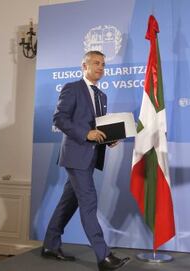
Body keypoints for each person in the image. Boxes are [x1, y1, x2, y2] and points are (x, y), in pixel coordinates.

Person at [41, 50, 130, 271]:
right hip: (75, 155)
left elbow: (98, 128)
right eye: (96, 63)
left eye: (103, 64)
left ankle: (51, 245)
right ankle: (104, 256)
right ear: (84, 65)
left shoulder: (102, 96)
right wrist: (86, 133)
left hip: (91, 157)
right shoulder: (72, 88)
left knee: (68, 202)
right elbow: (59, 118)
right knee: (89, 203)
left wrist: (108, 140)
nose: (101, 67)